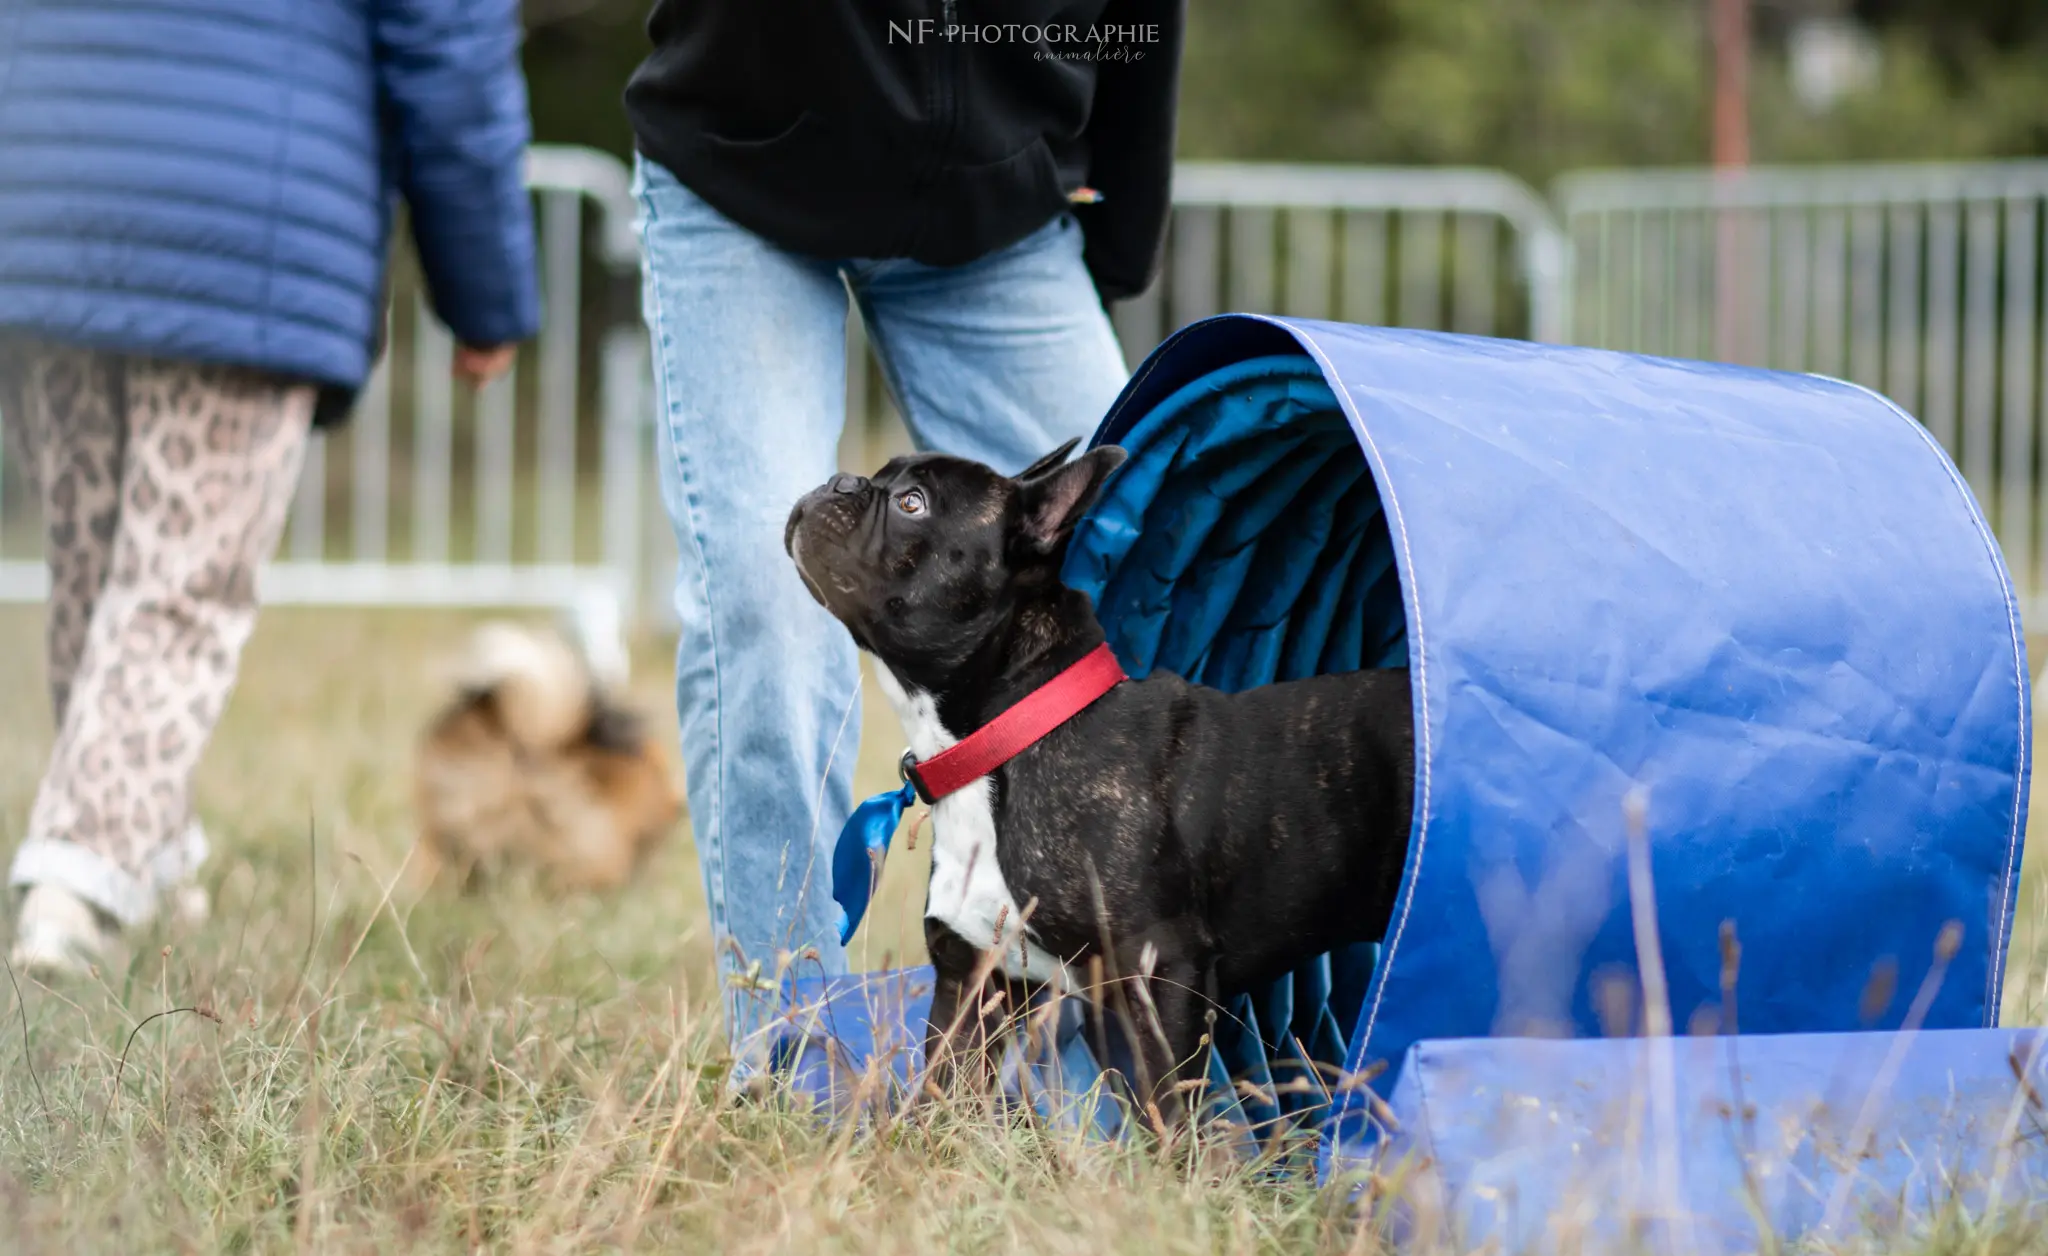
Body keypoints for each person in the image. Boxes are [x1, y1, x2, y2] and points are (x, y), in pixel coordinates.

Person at [624, 2, 1185, 1061]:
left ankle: (1106, 1036)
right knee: (767, 602)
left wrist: (1113, 231)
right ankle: (790, 1046)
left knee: (1142, 571)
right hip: (745, 168)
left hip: (1002, 211)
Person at [0, 0, 541, 974]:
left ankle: (155, 862)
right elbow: (446, 42)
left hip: (45, 189)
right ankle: (79, 877)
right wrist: (486, 290)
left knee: (97, 566)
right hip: (239, 217)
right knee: (178, 583)